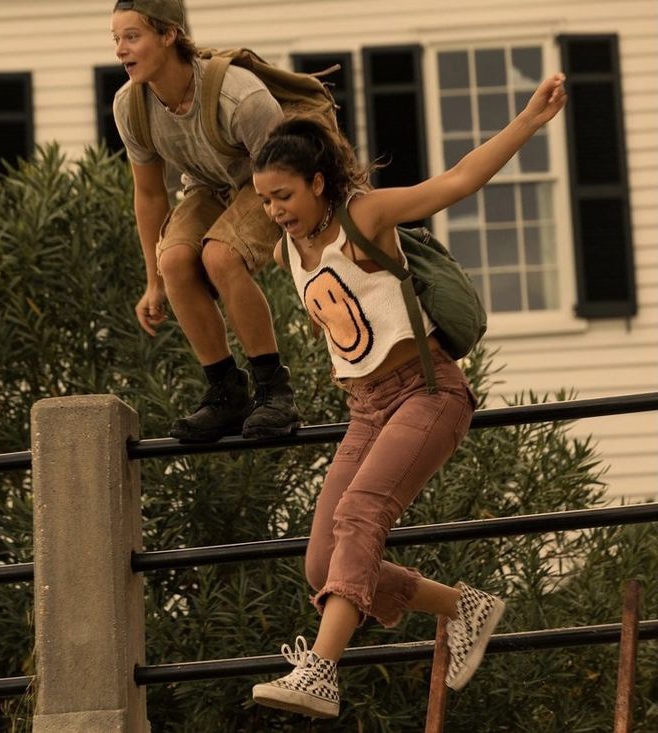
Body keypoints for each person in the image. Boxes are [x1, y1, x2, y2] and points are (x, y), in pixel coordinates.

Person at [250, 73, 568, 718]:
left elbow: (456, 181)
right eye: (263, 201)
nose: (274, 210)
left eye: (283, 195)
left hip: (426, 392)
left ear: (317, 183)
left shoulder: (363, 215)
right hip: (364, 408)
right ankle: (463, 606)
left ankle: (320, 669)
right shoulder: (290, 246)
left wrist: (529, 121)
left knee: (360, 518)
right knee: (321, 566)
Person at [110, 0, 300, 442]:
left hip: (267, 180)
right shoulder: (131, 106)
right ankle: (225, 393)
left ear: (169, 34)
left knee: (220, 255)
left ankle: (274, 392)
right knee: (174, 262)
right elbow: (150, 194)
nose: (121, 49)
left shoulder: (240, 96)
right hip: (206, 186)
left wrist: (309, 262)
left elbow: (289, 177)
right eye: (115, 39)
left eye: (132, 36)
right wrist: (151, 281)